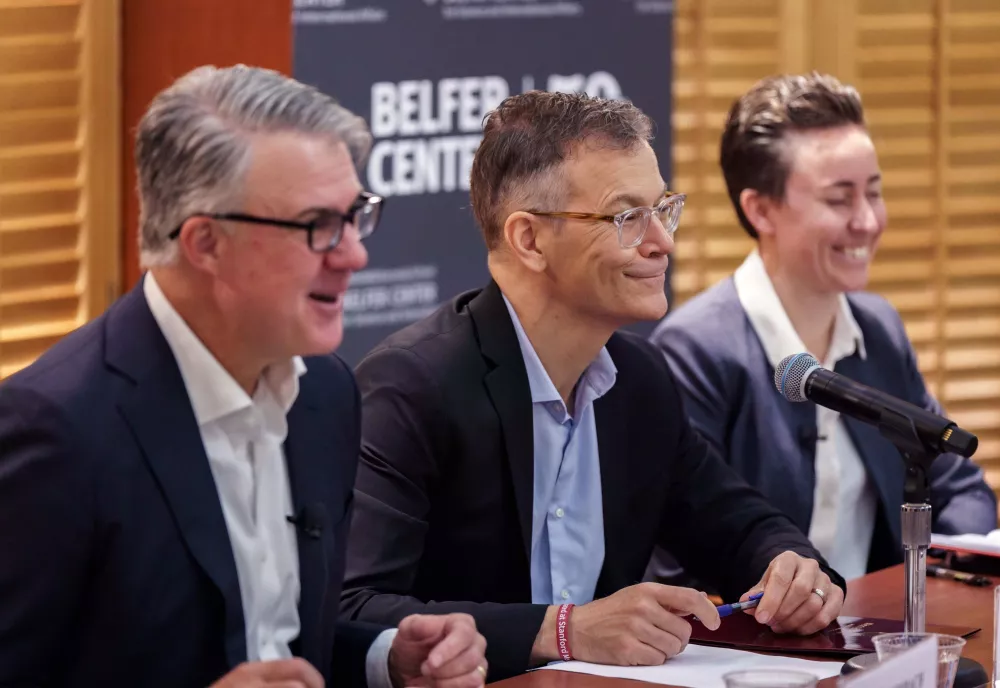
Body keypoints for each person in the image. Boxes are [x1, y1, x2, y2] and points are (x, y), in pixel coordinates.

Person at [0, 65, 487, 688]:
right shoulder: (57, 430)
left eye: (354, 215)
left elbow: (272, 637)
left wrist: (385, 658)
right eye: (317, 226)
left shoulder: (325, 394)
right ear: (205, 242)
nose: (354, 254)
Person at [340, 90, 847, 681]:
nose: (663, 243)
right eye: (627, 218)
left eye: (663, 209)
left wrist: (793, 569)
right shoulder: (412, 386)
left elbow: (739, 526)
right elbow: (353, 612)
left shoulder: (640, 381)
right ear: (529, 240)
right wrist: (561, 630)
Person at [649, 72, 996, 582]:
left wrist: (939, 576)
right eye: (839, 199)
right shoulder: (695, 351)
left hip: (879, 624)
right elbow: (684, 553)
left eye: (874, 193)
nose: (867, 221)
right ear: (760, 210)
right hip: (760, 630)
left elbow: (959, 488)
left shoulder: (878, 329)